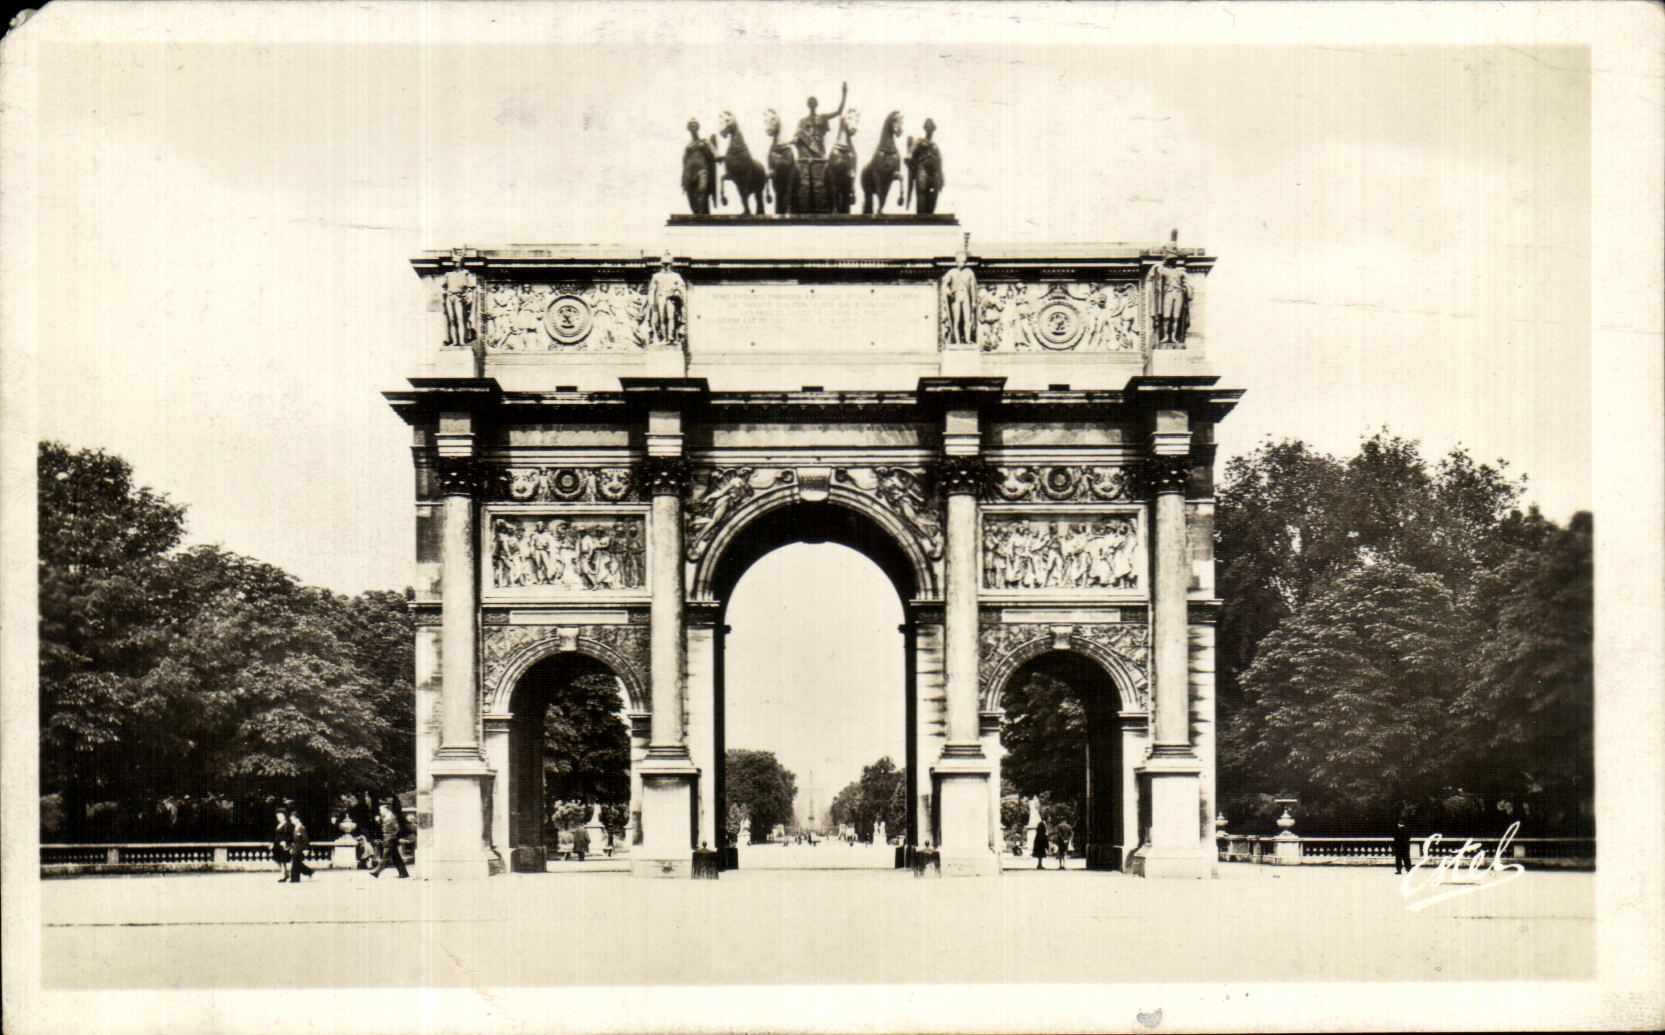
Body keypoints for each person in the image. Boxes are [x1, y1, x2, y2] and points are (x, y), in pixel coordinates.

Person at [370, 802, 410, 878]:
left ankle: (376, 872)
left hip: (390, 840)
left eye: (381, 810)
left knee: (385, 856)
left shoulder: (391, 817)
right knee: (396, 857)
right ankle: (404, 873)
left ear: (386, 809)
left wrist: (392, 837)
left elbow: (397, 829)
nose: (380, 812)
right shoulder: (386, 817)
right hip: (388, 840)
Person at [286, 804, 313, 882]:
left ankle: (295, 879)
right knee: (297, 864)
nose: (292, 821)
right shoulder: (296, 827)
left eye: (293, 819)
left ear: (297, 819)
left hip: (300, 849)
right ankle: (307, 873)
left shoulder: (301, 828)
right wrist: (292, 848)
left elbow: (305, 839)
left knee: (295, 864)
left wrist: (306, 849)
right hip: (296, 849)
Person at [271, 806, 291, 876]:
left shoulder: (287, 824)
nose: (279, 818)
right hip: (277, 844)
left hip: (283, 845)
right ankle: (285, 873)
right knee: (278, 859)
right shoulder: (279, 824)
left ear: (284, 816)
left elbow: (289, 835)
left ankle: (284, 874)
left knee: (283, 860)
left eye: (280, 816)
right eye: (278, 816)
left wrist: (285, 842)